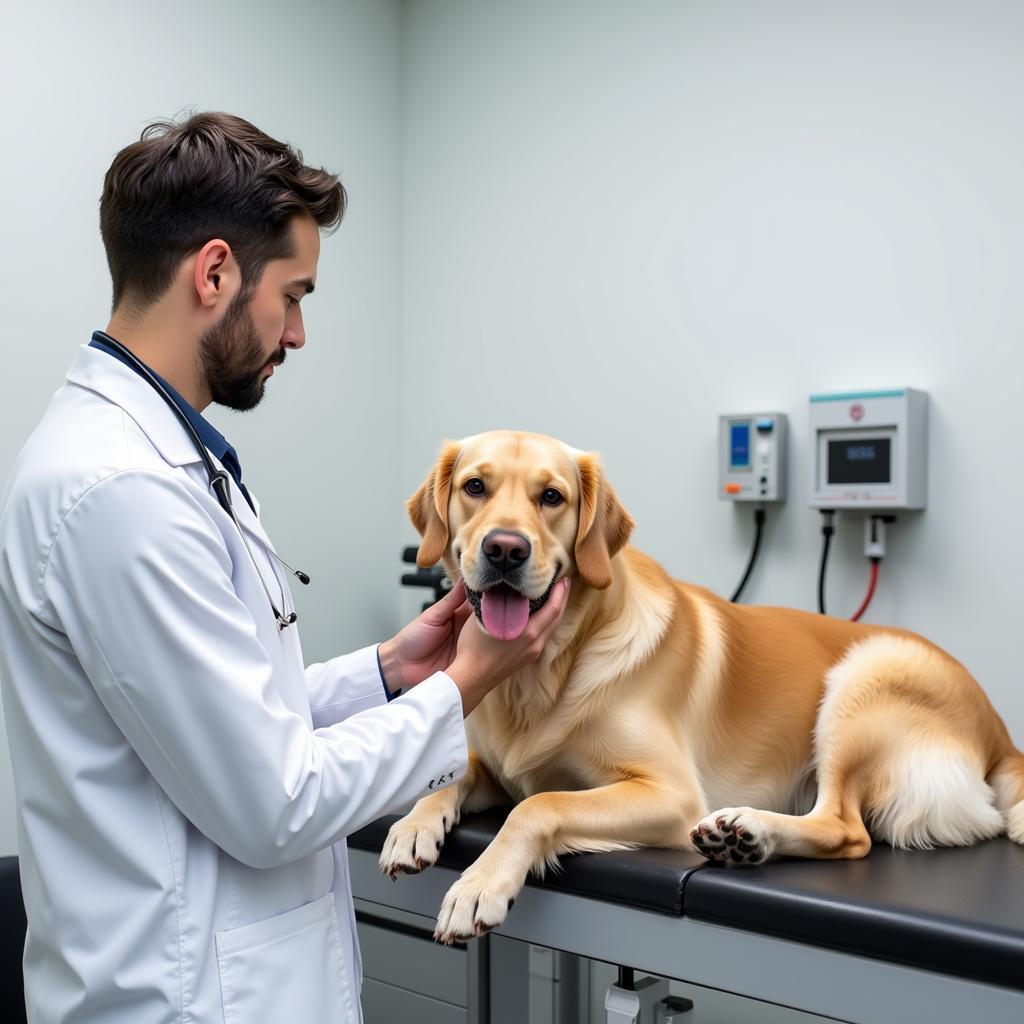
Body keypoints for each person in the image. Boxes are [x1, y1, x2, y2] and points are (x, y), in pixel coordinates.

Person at [0, 111, 570, 1024]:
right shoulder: (121, 490)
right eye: (293, 296)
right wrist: (462, 686)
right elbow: (275, 802)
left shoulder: (167, 460)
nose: (297, 333)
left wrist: (389, 673)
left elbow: (226, 721)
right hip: (182, 996)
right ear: (215, 272)